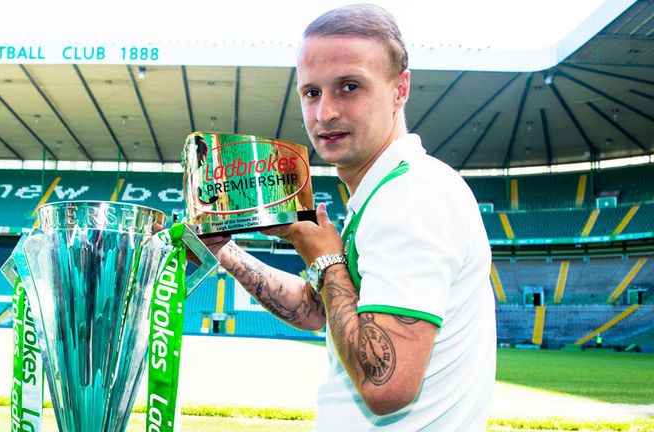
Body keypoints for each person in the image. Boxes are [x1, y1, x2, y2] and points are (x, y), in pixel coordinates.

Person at [200, 4, 496, 430]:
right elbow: (322, 312)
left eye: (350, 86)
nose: (324, 114)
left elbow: (386, 384)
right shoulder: (386, 193)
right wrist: (226, 251)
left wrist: (324, 257)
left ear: (400, 89)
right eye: (312, 92)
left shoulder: (411, 198)